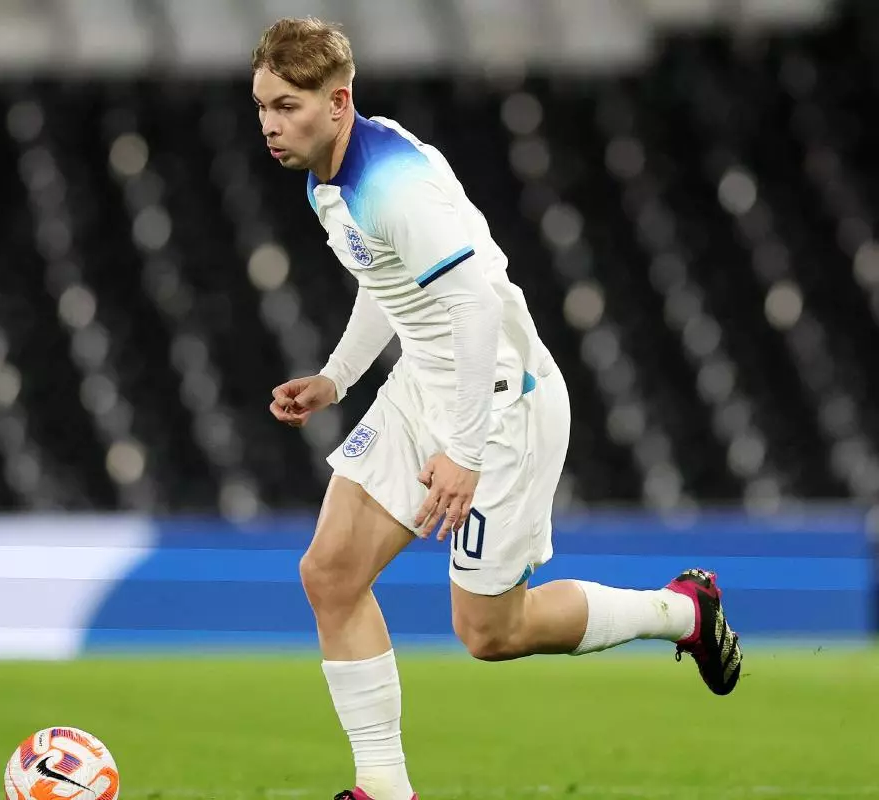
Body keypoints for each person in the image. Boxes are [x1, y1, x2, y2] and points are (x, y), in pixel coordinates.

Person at [253, 17, 743, 800]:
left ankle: (682, 611)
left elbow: (478, 307)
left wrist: (466, 452)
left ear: (339, 102)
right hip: (428, 382)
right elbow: (388, 281)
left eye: (287, 107)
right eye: (263, 108)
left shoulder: (394, 184)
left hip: (501, 398)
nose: (271, 126)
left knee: (491, 634)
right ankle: (382, 787)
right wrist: (338, 378)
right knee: (331, 574)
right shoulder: (326, 178)